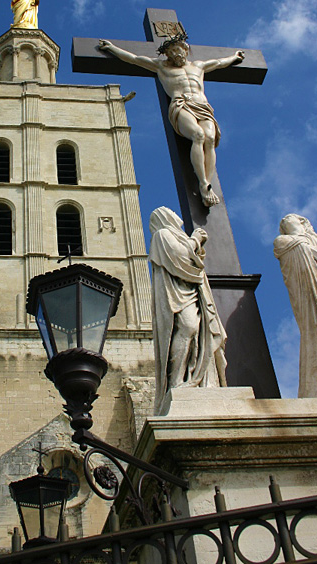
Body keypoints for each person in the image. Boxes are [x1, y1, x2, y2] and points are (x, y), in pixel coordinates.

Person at [99, 34, 244, 207]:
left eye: (179, 50)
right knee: (198, 135)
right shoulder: (161, 67)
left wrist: (234, 57)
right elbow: (134, 59)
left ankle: (207, 180)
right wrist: (112, 48)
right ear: (167, 54)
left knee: (210, 139)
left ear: (186, 50)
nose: (176, 54)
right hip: (181, 104)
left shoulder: (199, 66)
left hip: (203, 106)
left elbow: (220, 63)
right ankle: (203, 183)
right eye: (172, 51)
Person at [149, 207, 227, 415]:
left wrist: (194, 244)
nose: (174, 213)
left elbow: (192, 260)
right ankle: (176, 382)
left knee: (198, 332)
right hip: (176, 295)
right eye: (169, 211)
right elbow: (180, 258)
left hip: (191, 291)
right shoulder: (162, 235)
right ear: (164, 217)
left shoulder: (176, 235)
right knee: (188, 327)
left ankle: (196, 379)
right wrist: (194, 240)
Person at [274, 214, 317, 397]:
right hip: (312, 297)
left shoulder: (316, 243)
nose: (286, 222)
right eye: (284, 222)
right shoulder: (284, 242)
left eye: (291, 220)